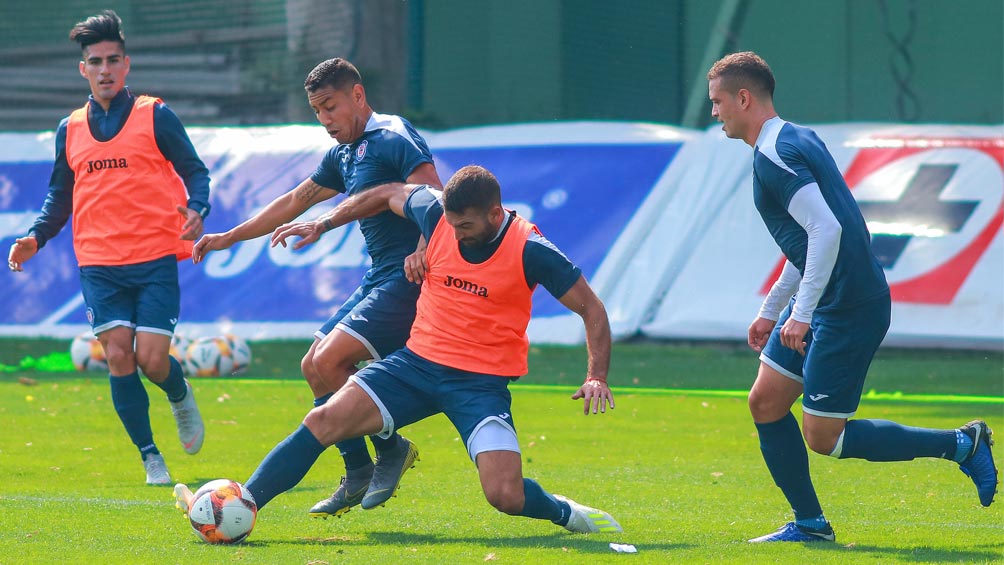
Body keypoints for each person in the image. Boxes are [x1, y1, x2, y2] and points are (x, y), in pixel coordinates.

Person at [175, 165, 623, 535]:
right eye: (450, 223)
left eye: (465, 225)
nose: (456, 234)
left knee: (505, 496)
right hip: (414, 365)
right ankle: (244, 503)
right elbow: (387, 192)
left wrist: (596, 375)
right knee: (324, 418)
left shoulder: (530, 248)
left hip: (479, 386)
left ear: (493, 213)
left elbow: (591, 308)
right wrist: (325, 222)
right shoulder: (435, 213)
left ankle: (566, 513)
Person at [706, 51, 998, 543]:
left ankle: (962, 444)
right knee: (766, 402)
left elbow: (827, 229)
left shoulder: (776, 154)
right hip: (826, 298)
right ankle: (811, 525)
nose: (714, 113)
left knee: (824, 438)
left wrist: (798, 315)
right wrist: (771, 310)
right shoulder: (795, 136)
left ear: (743, 97)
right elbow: (808, 244)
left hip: (847, 306)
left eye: (717, 102)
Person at [191, 57, 443, 517]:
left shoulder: (391, 135)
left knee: (329, 359)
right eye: (317, 112)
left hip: (409, 279)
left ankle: (387, 449)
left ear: (358, 95)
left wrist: (422, 247)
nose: (325, 120)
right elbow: (295, 200)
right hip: (378, 275)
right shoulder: (344, 153)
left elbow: (433, 194)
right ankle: (364, 466)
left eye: (331, 107)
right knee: (313, 365)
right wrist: (230, 235)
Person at [6, 10, 210, 485]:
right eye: (95, 61)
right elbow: (60, 195)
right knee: (119, 355)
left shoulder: (154, 115)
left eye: (112, 60)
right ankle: (150, 456)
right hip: (98, 263)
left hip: (156, 256)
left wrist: (198, 206)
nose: (104, 69)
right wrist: (36, 236)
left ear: (126, 65)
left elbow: (194, 169)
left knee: (152, 359)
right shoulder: (70, 128)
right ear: (83, 69)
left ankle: (178, 397)